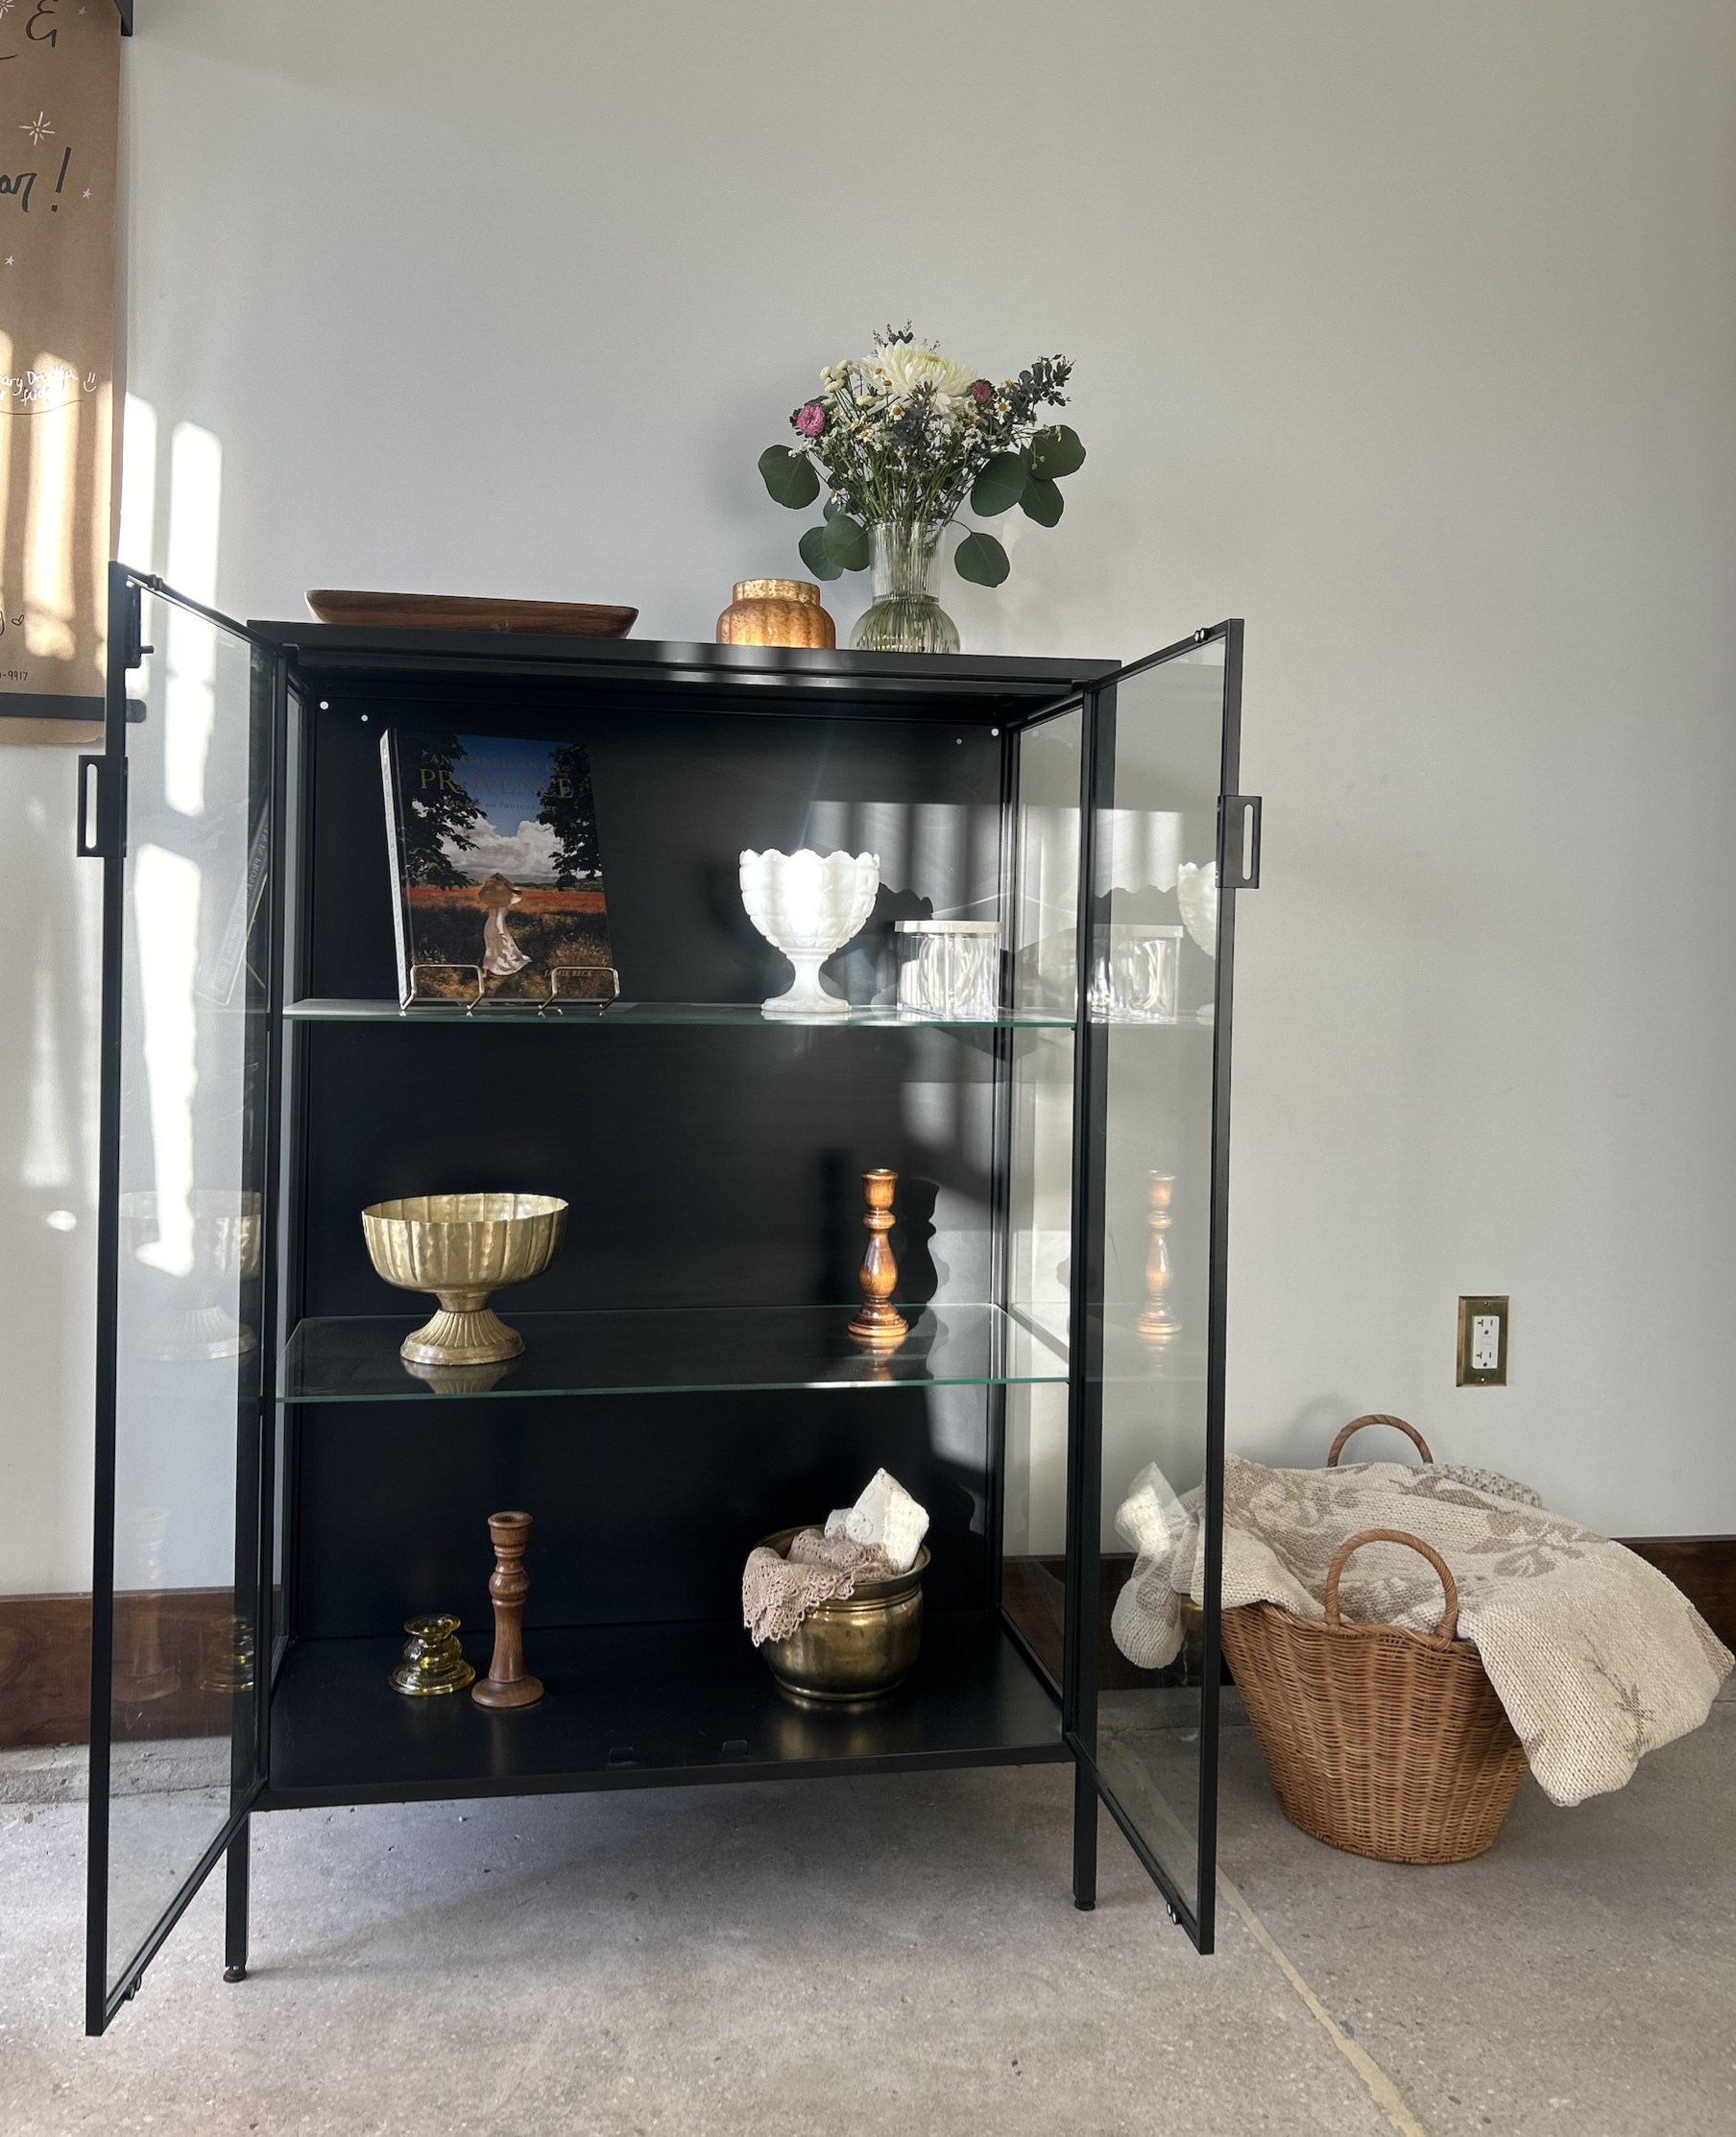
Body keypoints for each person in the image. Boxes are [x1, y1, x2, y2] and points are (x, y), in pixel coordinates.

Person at [476, 872, 532, 978]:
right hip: (498, 927)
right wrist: (502, 932)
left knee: (490, 948)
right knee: (506, 947)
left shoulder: (491, 904)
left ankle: (485, 971)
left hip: (488, 925)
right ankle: (508, 966)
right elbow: (499, 920)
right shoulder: (503, 905)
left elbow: (494, 918)